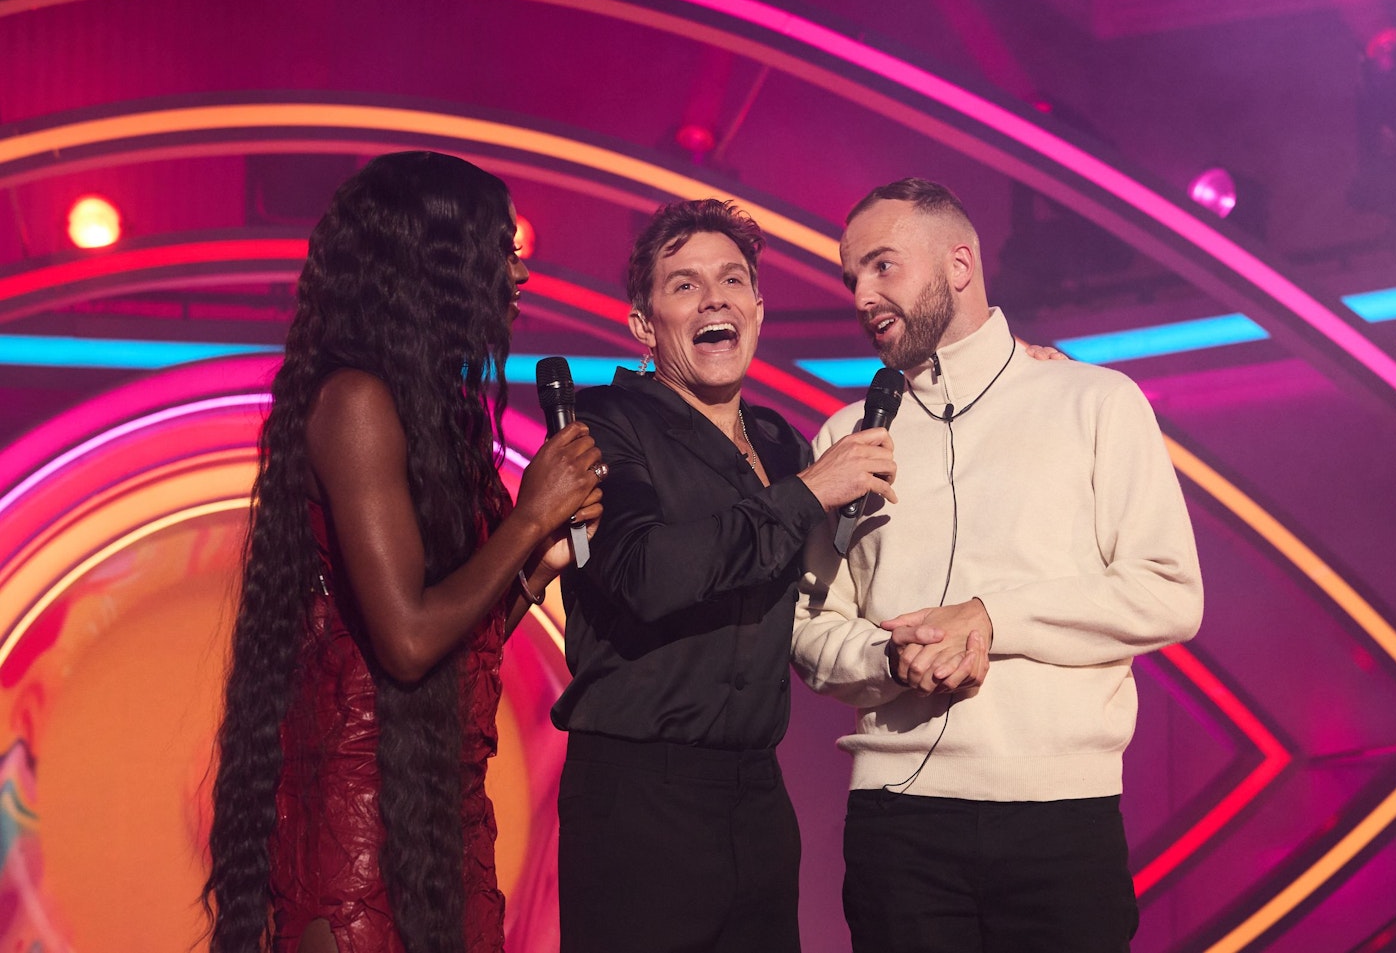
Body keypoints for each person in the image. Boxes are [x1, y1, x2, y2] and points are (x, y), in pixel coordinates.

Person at [202, 151, 605, 953]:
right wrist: (526, 522)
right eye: (500, 249)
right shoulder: (355, 401)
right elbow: (409, 640)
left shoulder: (433, 411)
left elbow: (450, 639)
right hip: (362, 817)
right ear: (438, 264)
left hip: (436, 808)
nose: (518, 275)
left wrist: (532, 572)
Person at [791, 178, 1204, 953]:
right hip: (897, 827)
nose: (863, 296)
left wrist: (992, 617)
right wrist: (891, 653)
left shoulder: (1094, 399)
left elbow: (1169, 591)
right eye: (852, 279)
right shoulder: (846, 433)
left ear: (959, 264)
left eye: (883, 266)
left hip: (1061, 817)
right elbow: (810, 626)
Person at [549, 198, 899, 953]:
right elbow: (644, 572)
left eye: (732, 280)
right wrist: (806, 493)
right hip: (639, 801)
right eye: (684, 284)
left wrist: (1020, 370)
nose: (714, 298)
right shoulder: (604, 422)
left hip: (756, 798)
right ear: (644, 325)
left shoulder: (778, 441)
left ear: (758, 310)